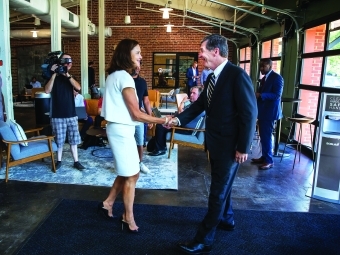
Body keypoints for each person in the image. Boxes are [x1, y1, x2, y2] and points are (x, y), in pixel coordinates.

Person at [168, 34, 257, 254]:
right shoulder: (210, 79)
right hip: (215, 144)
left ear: (215, 51)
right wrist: (177, 120)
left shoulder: (237, 75)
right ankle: (227, 219)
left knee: (217, 192)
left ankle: (203, 239)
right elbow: (199, 107)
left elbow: (250, 113)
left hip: (231, 148)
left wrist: (243, 148)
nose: (199, 55)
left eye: (202, 50)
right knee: (222, 186)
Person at [98, 39, 171, 232]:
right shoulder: (125, 77)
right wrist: (163, 121)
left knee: (127, 171)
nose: (140, 56)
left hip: (120, 129)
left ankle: (108, 202)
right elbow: (136, 114)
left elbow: (134, 110)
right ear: (126, 54)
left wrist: (153, 117)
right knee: (132, 175)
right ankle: (127, 217)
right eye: (137, 52)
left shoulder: (114, 75)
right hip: (122, 131)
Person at [45, 53, 85, 171]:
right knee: (59, 140)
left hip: (71, 114)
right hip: (57, 114)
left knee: (73, 139)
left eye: (69, 62)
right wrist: (54, 74)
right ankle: (59, 160)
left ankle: (76, 161)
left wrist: (66, 74)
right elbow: (47, 90)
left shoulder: (70, 77)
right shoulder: (53, 76)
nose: (67, 64)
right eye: (65, 61)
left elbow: (78, 88)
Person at [148, 86, 204, 156]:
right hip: (183, 126)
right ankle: (157, 147)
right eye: (191, 93)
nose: (191, 95)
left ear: (199, 96)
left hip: (188, 130)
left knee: (161, 126)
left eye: (194, 93)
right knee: (162, 122)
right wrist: (172, 117)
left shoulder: (199, 109)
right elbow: (182, 115)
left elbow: (184, 117)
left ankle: (160, 149)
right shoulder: (192, 104)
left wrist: (182, 103)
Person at [252, 58, 284, 170]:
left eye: (263, 66)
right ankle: (264, 157)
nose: (261, 68)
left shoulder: (277, 78)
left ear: (270, 66)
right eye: (260, 66)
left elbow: (277, 95)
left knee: (266, 137)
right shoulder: (264, 78)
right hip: (264, 111)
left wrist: (261, 95)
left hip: (270, 112)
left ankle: (269, 161)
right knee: (263, 136)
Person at [133, 66, 153, 174]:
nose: (136, 67)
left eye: (139, 64)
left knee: (140, 142)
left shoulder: (142, 82)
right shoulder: (125, 80)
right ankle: (128, 164)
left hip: (138, 117)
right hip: (125, 118)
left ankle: (140, 163)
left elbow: (146, 101)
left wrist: (149, 118)